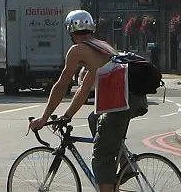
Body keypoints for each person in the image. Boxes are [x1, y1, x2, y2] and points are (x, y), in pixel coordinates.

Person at [30, 10, 147, 192]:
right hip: (133, 99)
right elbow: (84, 89)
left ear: (70, 30)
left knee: (101, 158)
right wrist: (67, 115)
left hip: (120, 104)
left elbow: (62, 85)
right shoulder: (101, 45)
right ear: (91, 27)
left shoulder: (77, 50)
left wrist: (44, 118)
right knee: (94, 118)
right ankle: (126, 163)